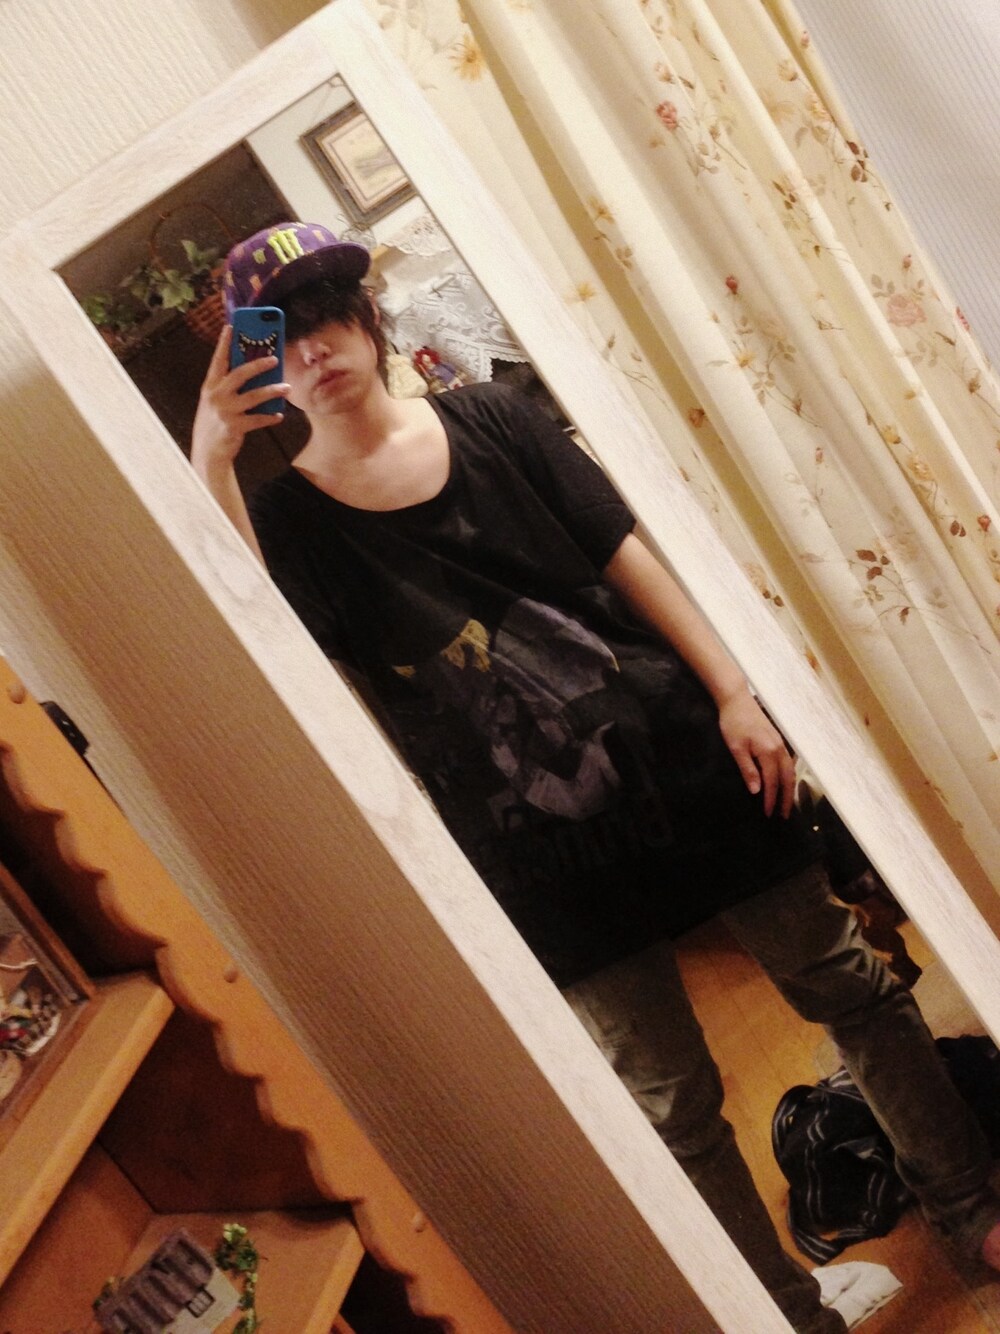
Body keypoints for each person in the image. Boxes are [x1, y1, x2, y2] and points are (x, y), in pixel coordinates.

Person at [193, 221, 1000, 1333]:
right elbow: (263, 643)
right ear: (255, 365)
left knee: (849, 985)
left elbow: (625, 554)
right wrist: (211, 459)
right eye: (280, 335)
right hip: (536, 855)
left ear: (369, 319)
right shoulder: (288, 523)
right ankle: (783, 1316)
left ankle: (970, 1206)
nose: (316, 350)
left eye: (331, 316)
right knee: (674, 1105)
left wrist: (734, 690)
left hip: (689, 762)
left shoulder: (493, 418)